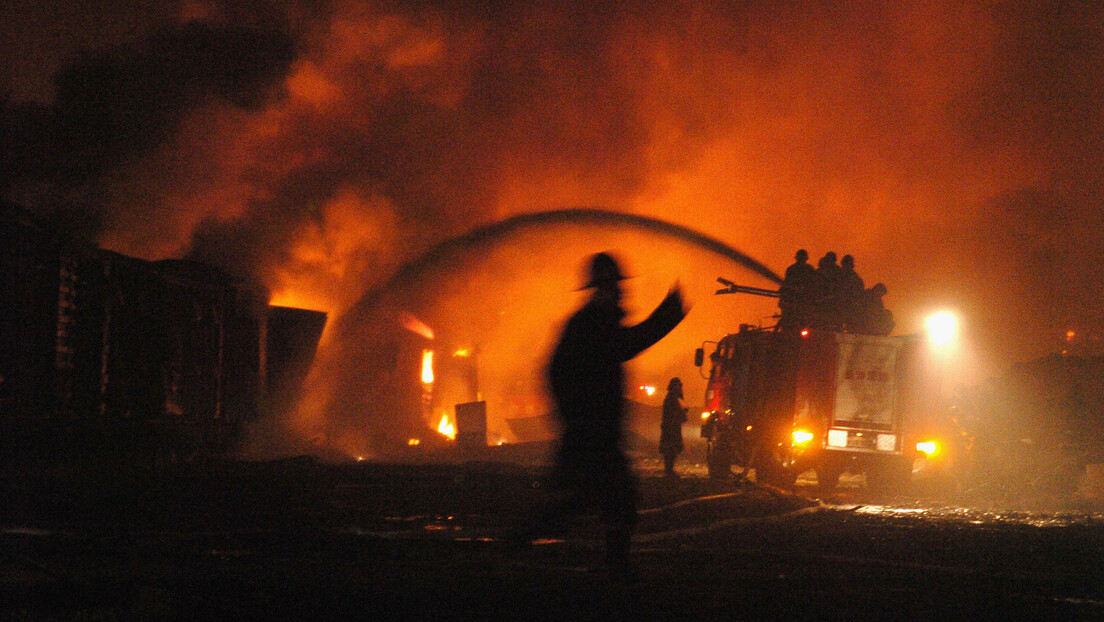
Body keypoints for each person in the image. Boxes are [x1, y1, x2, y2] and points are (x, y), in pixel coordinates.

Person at [533, 251, 688, 579]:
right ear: (601, 287)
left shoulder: (589, 323)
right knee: (610, 500)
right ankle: (518, 544)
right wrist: (668, 314)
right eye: (615, 285)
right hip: (592, 434)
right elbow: (629, 344)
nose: (621, 291)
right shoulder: (591, 324)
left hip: (592, 432)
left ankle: (614, 567)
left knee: (594, 500)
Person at [777, 249, 816, 332]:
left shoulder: (791, 269)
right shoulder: (810, 269)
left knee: (788, 324)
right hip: (805, 304)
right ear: (806, 258)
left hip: (793, 303)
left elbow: (785, 285)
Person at [660, 377, 688, 477]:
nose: (680, 388)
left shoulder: (671, 399)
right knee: (670, 449)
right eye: (678, 386)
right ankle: (669, 471)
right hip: (671, 429)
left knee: (671, 450)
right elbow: (673, 415)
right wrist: (682, 414)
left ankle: (669, 471)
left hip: (671, 428)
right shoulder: (671, 400)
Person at [838, 254, 865, 332]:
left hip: (847, 308)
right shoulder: (837, 275)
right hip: (839, 307)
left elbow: (858, 295)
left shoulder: (854, 279)